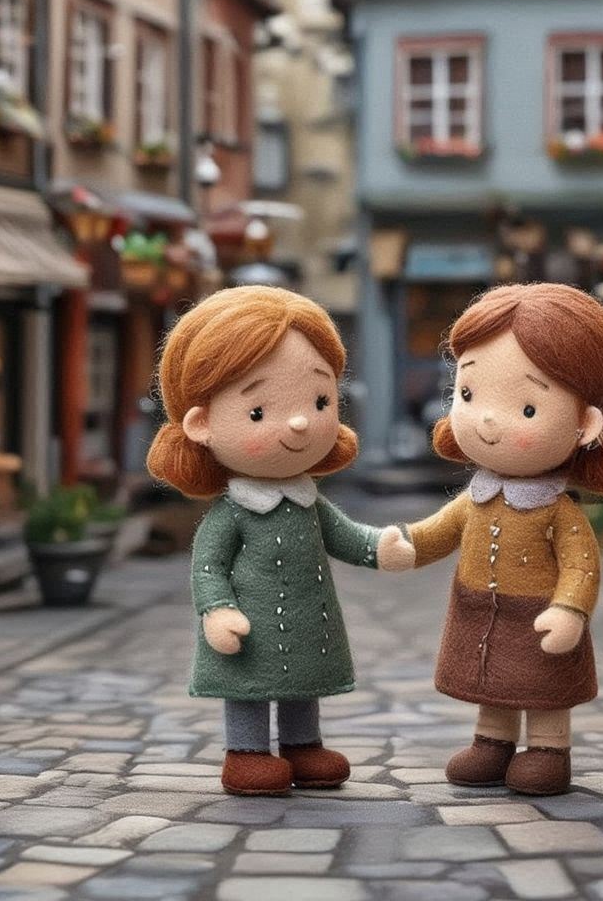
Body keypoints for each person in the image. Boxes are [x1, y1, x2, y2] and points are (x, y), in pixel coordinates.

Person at [148, 286, 413, 796]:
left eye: (319, 401)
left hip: (308, 620)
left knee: (303, 679)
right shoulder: (233, 513)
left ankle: (303, 746)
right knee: (250, 683)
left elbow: (345, 536)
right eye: (257, 412)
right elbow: (208, 566)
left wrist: (379, 547)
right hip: (250, 626)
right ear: (202, 424)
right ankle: (246, 752)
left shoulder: (307, 499)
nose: (299, 422)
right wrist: (217, 610)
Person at [381, 283, 603, 796]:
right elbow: (442, 529)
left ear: (585, 424)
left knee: (542, 682)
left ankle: (548, 748)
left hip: (539, 616)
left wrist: (570, 609)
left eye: (526, 409)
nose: (486, 420)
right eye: (469, 395)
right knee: (491, 676)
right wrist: (409, 547)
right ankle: (491, 742)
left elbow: (581, 565)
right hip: (480, 610)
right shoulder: (477, 496)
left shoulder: (558, 512)